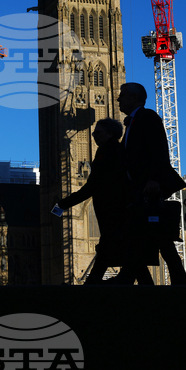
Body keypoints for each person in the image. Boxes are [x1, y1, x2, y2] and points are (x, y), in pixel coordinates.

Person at [54, 119, 149, 284]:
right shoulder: (114, 151)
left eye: (97, 132)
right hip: (119, 213)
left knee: (110, 253)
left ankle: (93, 286)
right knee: (130, 257)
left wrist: (64, 204)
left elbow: (91, 187)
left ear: (110, 134)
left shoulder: (107, 153)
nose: (93, 136)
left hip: (115, 213)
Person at [115, 82, 186, 285]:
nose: (118, 99)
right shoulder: (131, 123)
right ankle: (133, 280)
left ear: (134, 98)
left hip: (149, 189)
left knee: (156, 239)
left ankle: (176, 284)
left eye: (122, 95)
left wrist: (154, 179)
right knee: (145, 238)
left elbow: (159, 149)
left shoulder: (147, 117)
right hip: (139, 190)